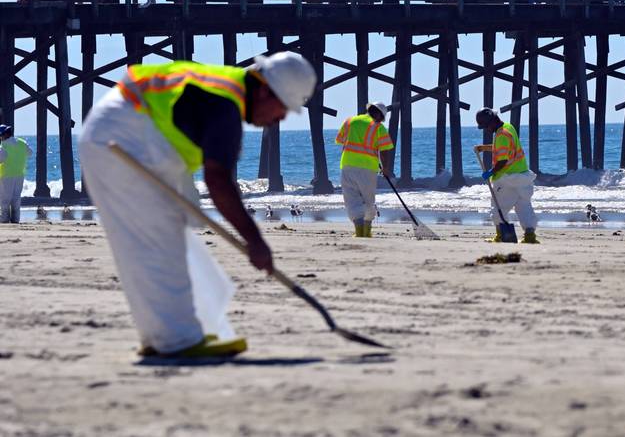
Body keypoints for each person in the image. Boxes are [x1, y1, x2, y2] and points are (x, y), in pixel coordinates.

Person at [77, 51, 317, 358]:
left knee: (155, 239)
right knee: (157, 239)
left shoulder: (225, 94)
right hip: (122, 138)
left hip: (122, 132)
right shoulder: (224, 106)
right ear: (264, 90)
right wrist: (255, 240)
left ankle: (163, 335)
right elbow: (218, 181)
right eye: (284, 107)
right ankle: (176, 340)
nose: (281, 118)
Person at [473, 107, 539, 244]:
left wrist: (491, 172)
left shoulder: (501, 135)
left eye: (485, 126)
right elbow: (505, 147)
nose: (486, 129)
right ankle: (530, 236)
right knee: (524, 207)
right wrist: (484, 147)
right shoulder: (508, 128)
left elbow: (502, 161)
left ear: (490, 123)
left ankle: (500, 236)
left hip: (506, 179)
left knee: (498, 208)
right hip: (523, 177)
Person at [334, 102, 394, 238]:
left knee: (352, 200)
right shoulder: (378, 127)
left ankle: (359, 232)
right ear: (378, 114)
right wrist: (385, 168)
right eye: (382, 117)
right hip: (367, 168)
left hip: (347, 165)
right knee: (368, 200)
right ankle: (366, 232)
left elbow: (341, 141)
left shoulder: (349, 121)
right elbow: (384, 150)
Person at [0, 125, 33, 224]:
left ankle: (4, 218)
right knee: (16, 197)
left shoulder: (3, 146)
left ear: (4, 135)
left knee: (5, 199)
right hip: (20, 174)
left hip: (7, 175)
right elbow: (30, 153)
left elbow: (1, 159)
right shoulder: (22, 143)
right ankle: (15, 219)